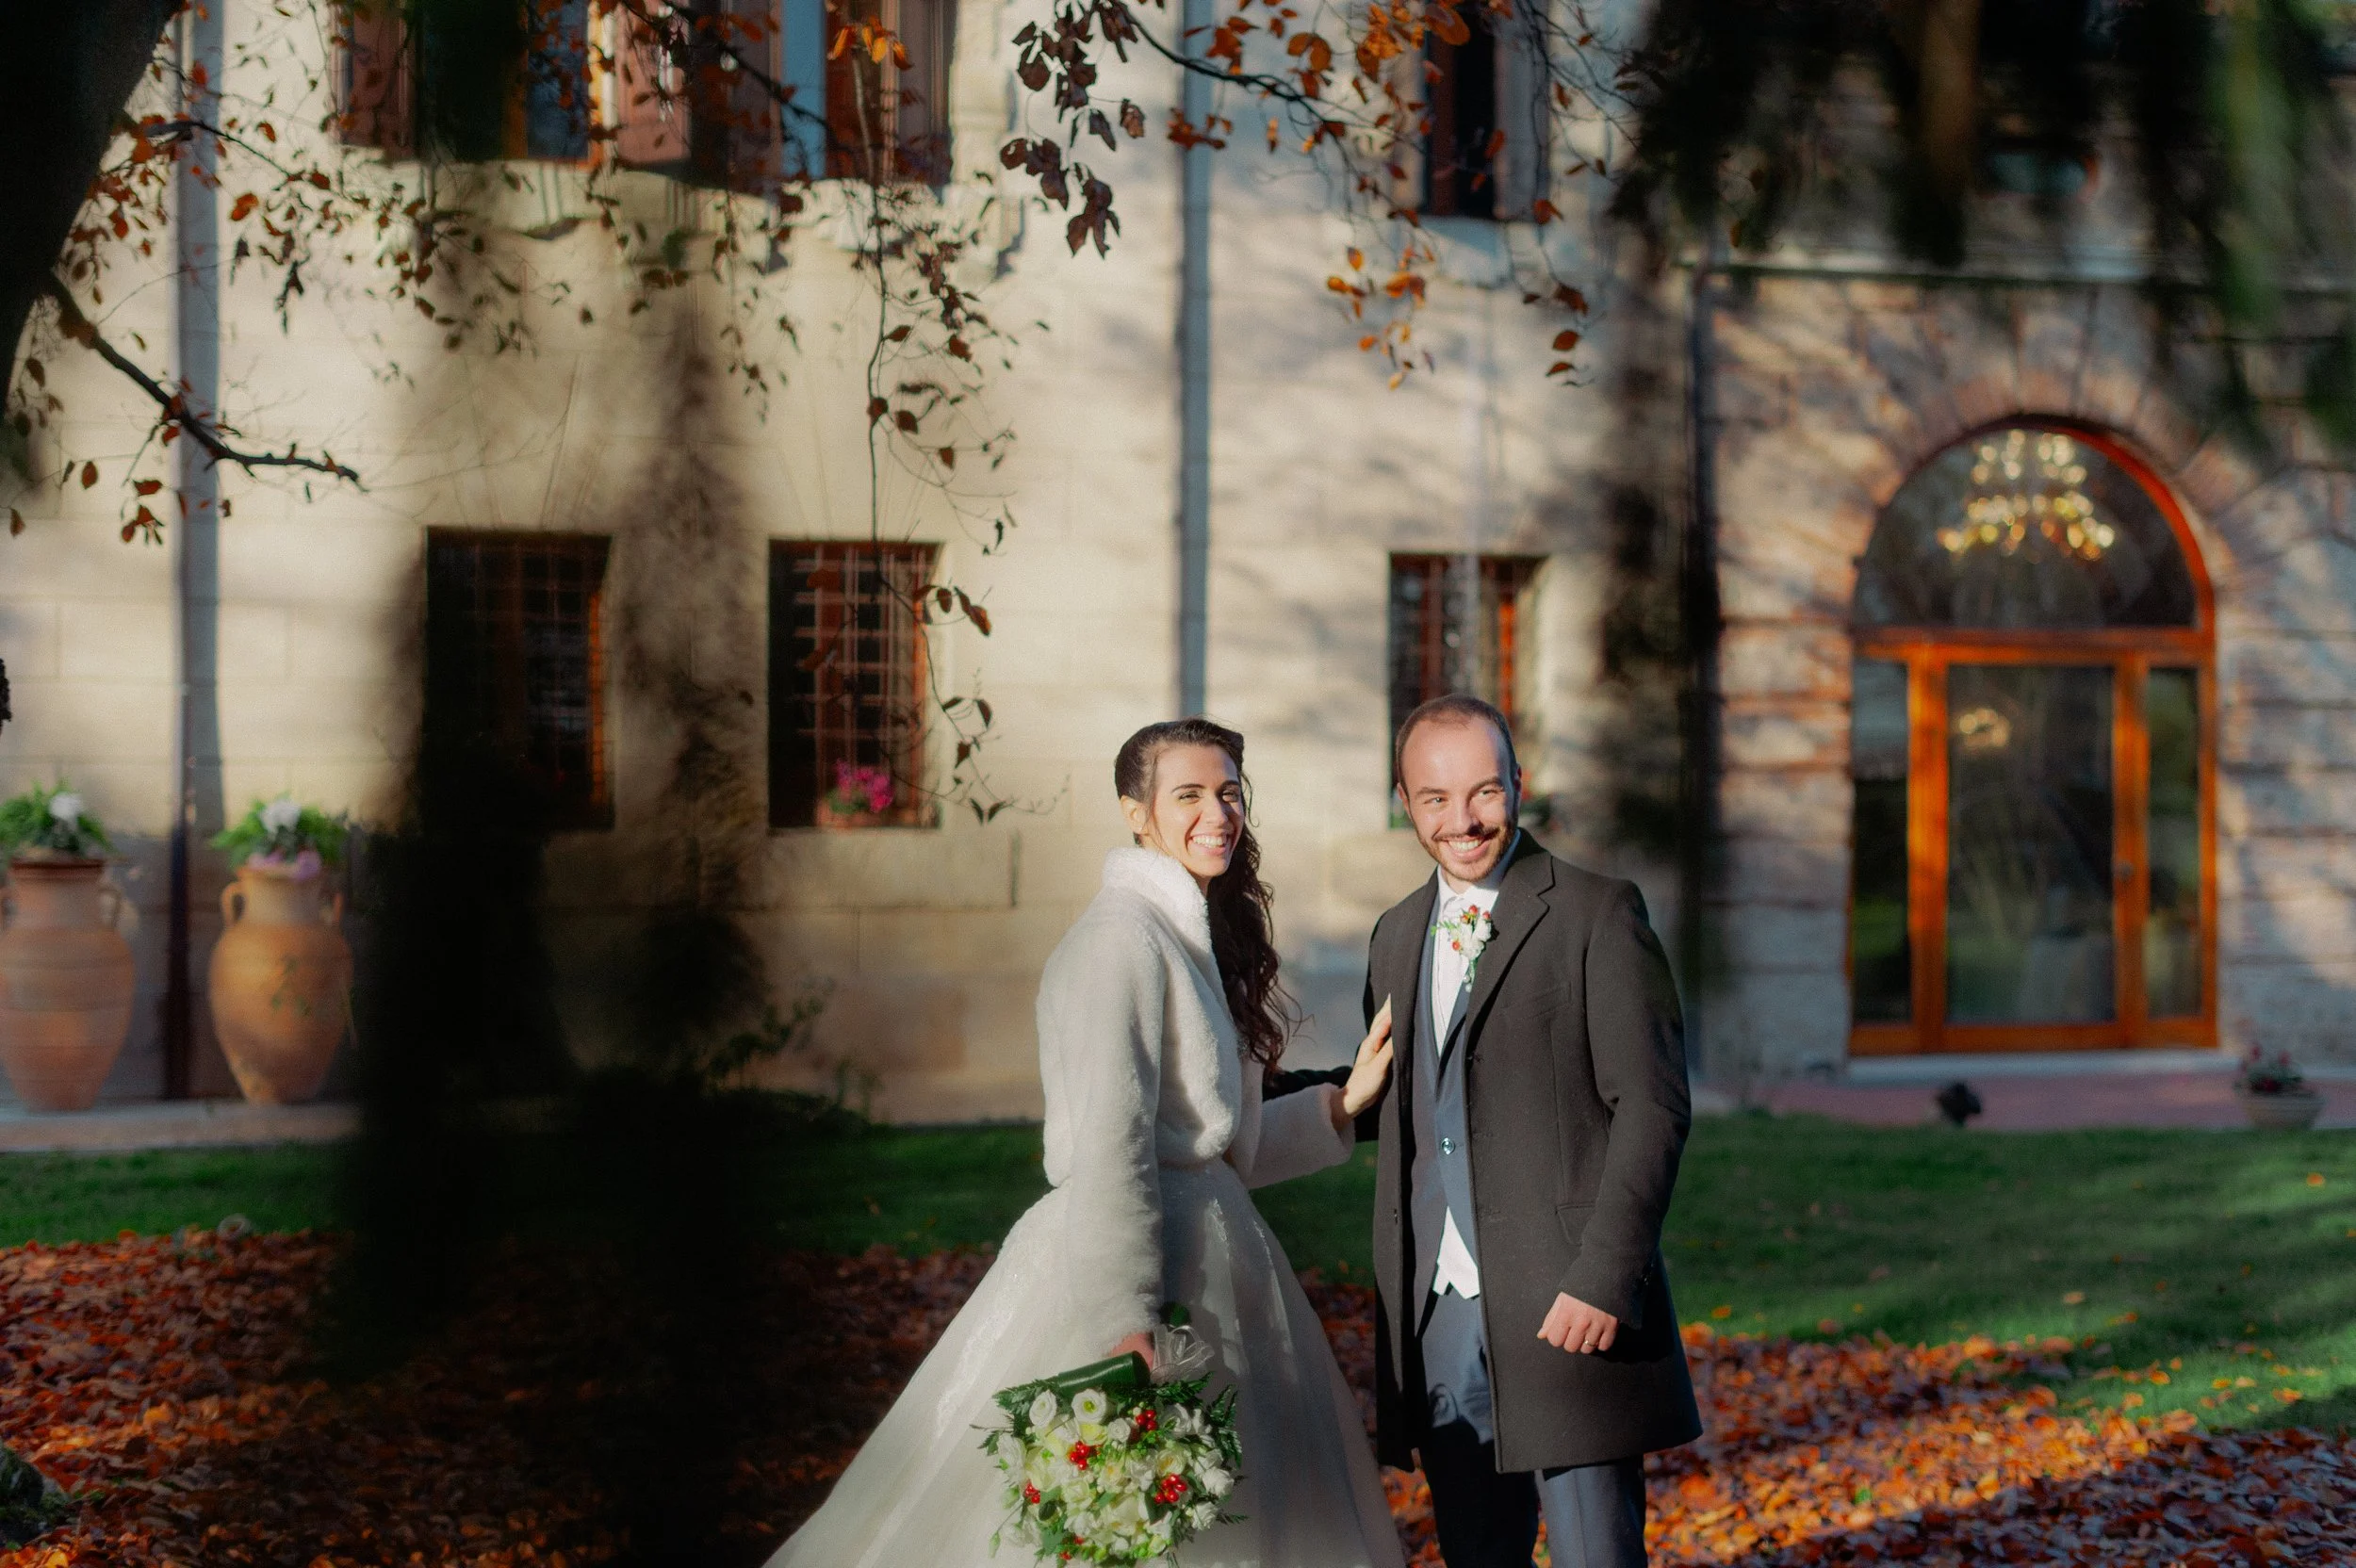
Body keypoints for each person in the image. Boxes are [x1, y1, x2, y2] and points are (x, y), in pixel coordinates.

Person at [771, 717, 1405, 1568]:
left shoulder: (1181, 934)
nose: (1217, 813)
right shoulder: (1120, 943)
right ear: (1134, 812)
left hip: (1210, 1257)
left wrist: (1337, 1108)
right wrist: (1123, 1318)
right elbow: (1114, 1146)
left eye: (1228, 793)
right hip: (1140, 1278)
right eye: (1187, 794)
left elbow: (1206, 1145)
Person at [1362, 694, 1701, 1568]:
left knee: (1596, 1555)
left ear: (1520, 783)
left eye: (1484, 791)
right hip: (1438, 1316)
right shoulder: (1395, 935)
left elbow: (1654, 1106)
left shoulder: (1598, 914)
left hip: (1567, 1306)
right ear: (1405, 799)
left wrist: (1603, 1279)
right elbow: (1421, 1100)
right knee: (1478, 1555)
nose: (1463, 821)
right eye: (1434, 799)